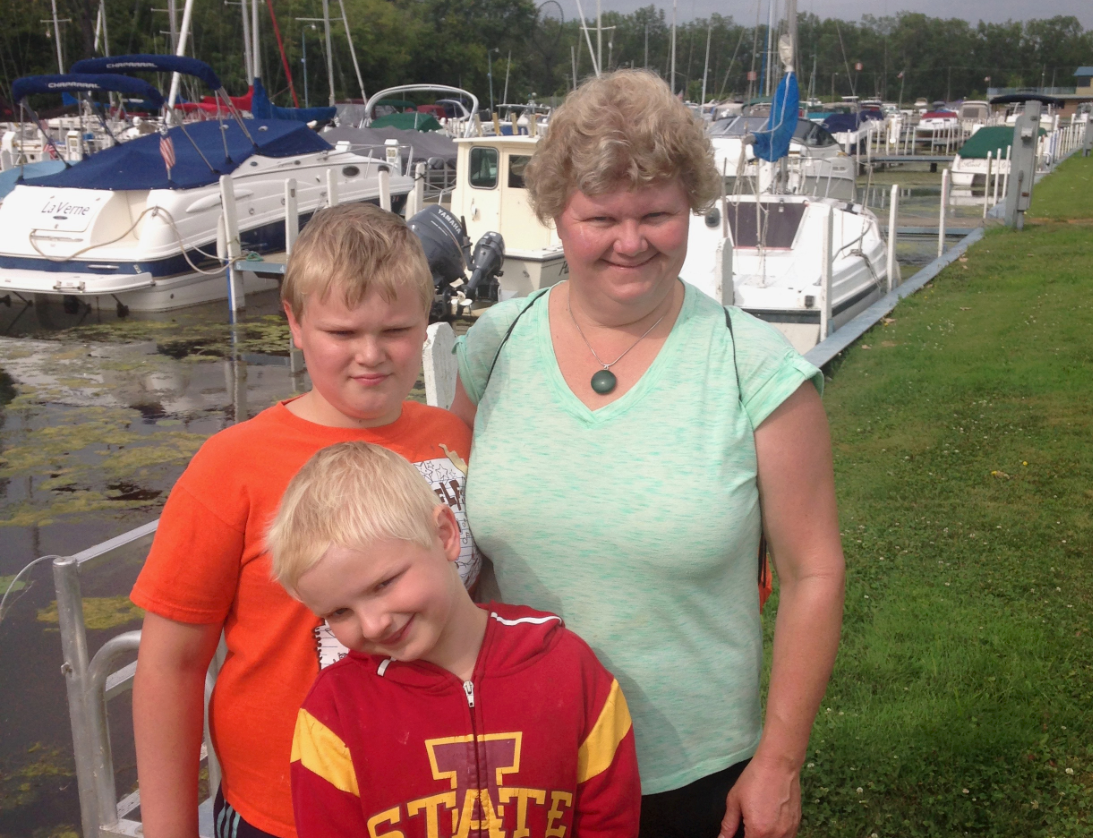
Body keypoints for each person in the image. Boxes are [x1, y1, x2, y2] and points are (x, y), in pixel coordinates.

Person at [450, 69, 846, 838]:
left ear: (690, 207)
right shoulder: (495, 345)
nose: (629, 243)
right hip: (514, 762)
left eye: (656, 215)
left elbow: (813, 574)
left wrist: (778, 763)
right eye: (600, 217)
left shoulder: (753, 366)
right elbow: (447, 540)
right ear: (556, 215)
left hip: (692, 778)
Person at [130, 203, 481, 838]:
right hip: (286, 812)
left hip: (442, 799)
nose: (371, 355)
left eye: (396, 329)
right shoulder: (230, 467)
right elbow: (169, 667)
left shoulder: (452, 438)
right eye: (342, 333)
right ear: (294, 322)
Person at [267, 441, 642, 837]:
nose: (373, 625)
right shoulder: (334, 711)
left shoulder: (567, 667)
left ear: (445, 534)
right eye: (340, 612)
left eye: (383, 584)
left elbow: (609, 821)